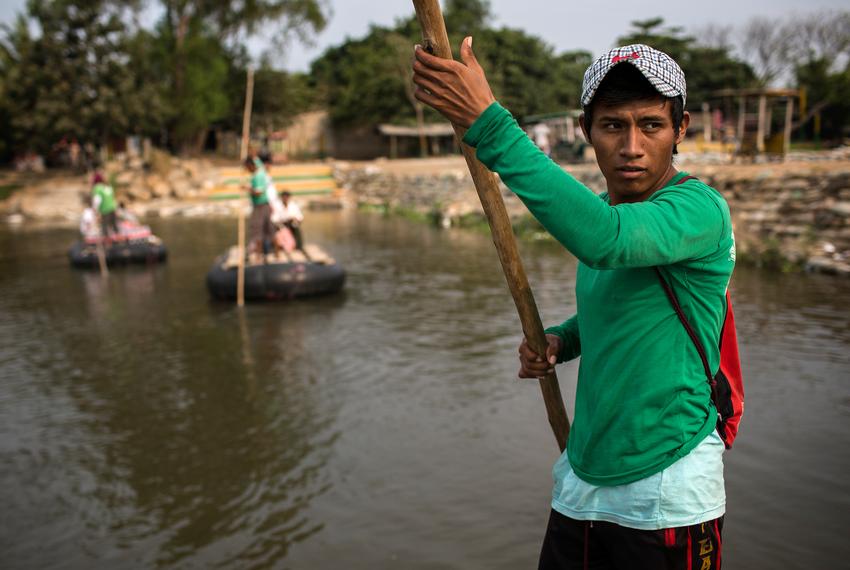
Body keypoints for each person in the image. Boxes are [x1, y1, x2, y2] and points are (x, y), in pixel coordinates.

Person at [414, 40, 734, 569]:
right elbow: (618, 308)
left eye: (650, 125)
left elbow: (608, 241)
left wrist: (489, 124)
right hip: (583, 478)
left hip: (666, 489)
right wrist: (562, 341)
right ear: (587, 131)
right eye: (612, 126)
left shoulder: (698, 210)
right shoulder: (603, 208)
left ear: (681, 129)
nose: (631, 145)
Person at [244, 157, 273, 259]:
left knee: (257, 230)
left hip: (260, 206)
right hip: (263, 205)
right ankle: (263, 253)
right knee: (265, 230)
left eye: (247, 167)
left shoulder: (258, 176)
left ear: (251, 166)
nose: (247, 170)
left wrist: (247, 188)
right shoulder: (260, 172)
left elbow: (259, 192)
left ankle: (258, 255)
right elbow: (255, 158)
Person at [91, 172, 119, 238]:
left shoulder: (97, 188)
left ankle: (106, 242)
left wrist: (95, 210)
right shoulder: (108, 186)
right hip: (112, 208)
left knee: (104, 226)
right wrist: (115, 208)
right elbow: (112, 198)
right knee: (114, 225)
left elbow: (97, 200)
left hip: (105, 210)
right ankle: (118, 239)